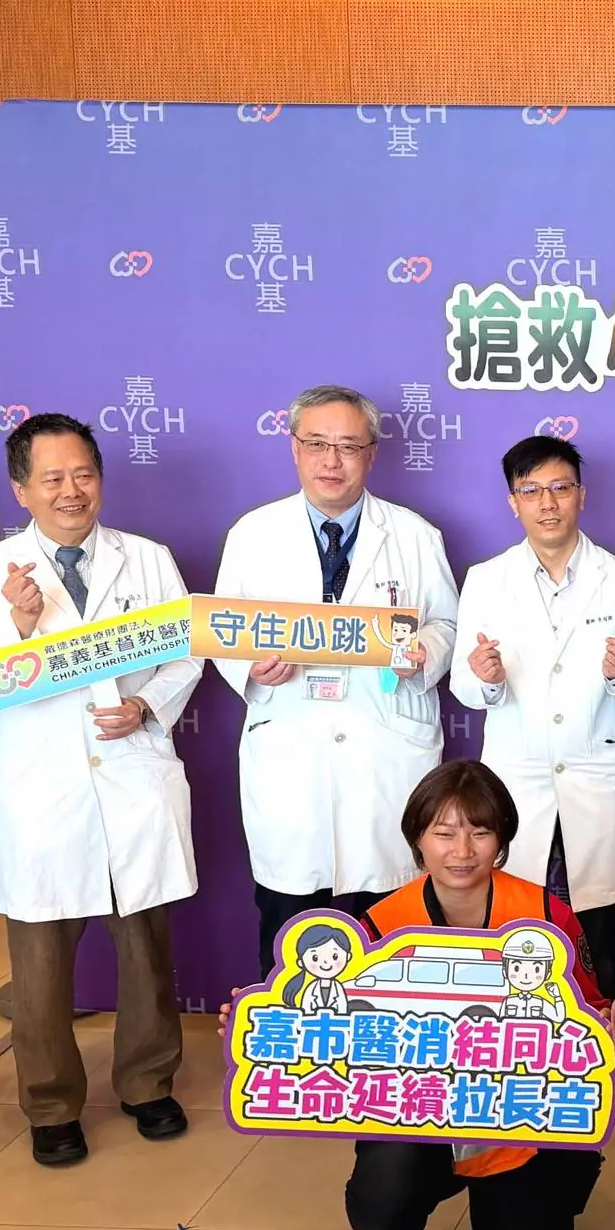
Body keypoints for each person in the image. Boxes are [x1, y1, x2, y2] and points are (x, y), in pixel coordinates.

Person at [0, 413, 202, 1167]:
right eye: (52, 478)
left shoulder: (147, 559)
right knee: (39, 963)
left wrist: (146, 705)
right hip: (44, 789)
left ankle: (147, 1083)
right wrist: (21, 627)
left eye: (83, 474)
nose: (71, 491)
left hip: (132, 775)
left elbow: (185, 653)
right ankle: (51, 1104)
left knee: (145, 949)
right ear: (21, 489)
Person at [343, 761, 603, 1230]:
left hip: (518, 1127)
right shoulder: (380, 924)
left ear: (502, 838)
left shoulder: (545, 914)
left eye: (479, 832)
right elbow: (336, 1028)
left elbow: (590, 1012)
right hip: (417, 1122)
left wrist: (605, 1026)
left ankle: (536, 1219)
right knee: (385, 1184)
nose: (461, 851)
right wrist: (258, 1024)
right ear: (417, 839)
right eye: (443, 832)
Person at [213, 386, 459, 976]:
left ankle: (392, 1033)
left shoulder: (414, 535)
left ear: (371, 454)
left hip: (384, 751)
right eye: (317, 444)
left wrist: (421, 654)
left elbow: (447, 624)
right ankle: (293, 1036)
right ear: (293, 448)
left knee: (394, 933)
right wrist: (251, 668)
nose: (332, 461)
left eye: (348, 446)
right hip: (291, 750)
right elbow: (223, 630)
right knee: (291, 932)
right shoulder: (253, 533)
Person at [451, 434, 615, 993]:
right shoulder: (486, 579)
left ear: (581, 496)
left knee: (598, 934)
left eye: (560, 488)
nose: (548, 503)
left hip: (594, 776)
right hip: (517, 779)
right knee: (512, 926)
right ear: (512, 502)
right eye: (531, 490)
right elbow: (464, 686)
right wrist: (486, 678)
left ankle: (606, 1035)